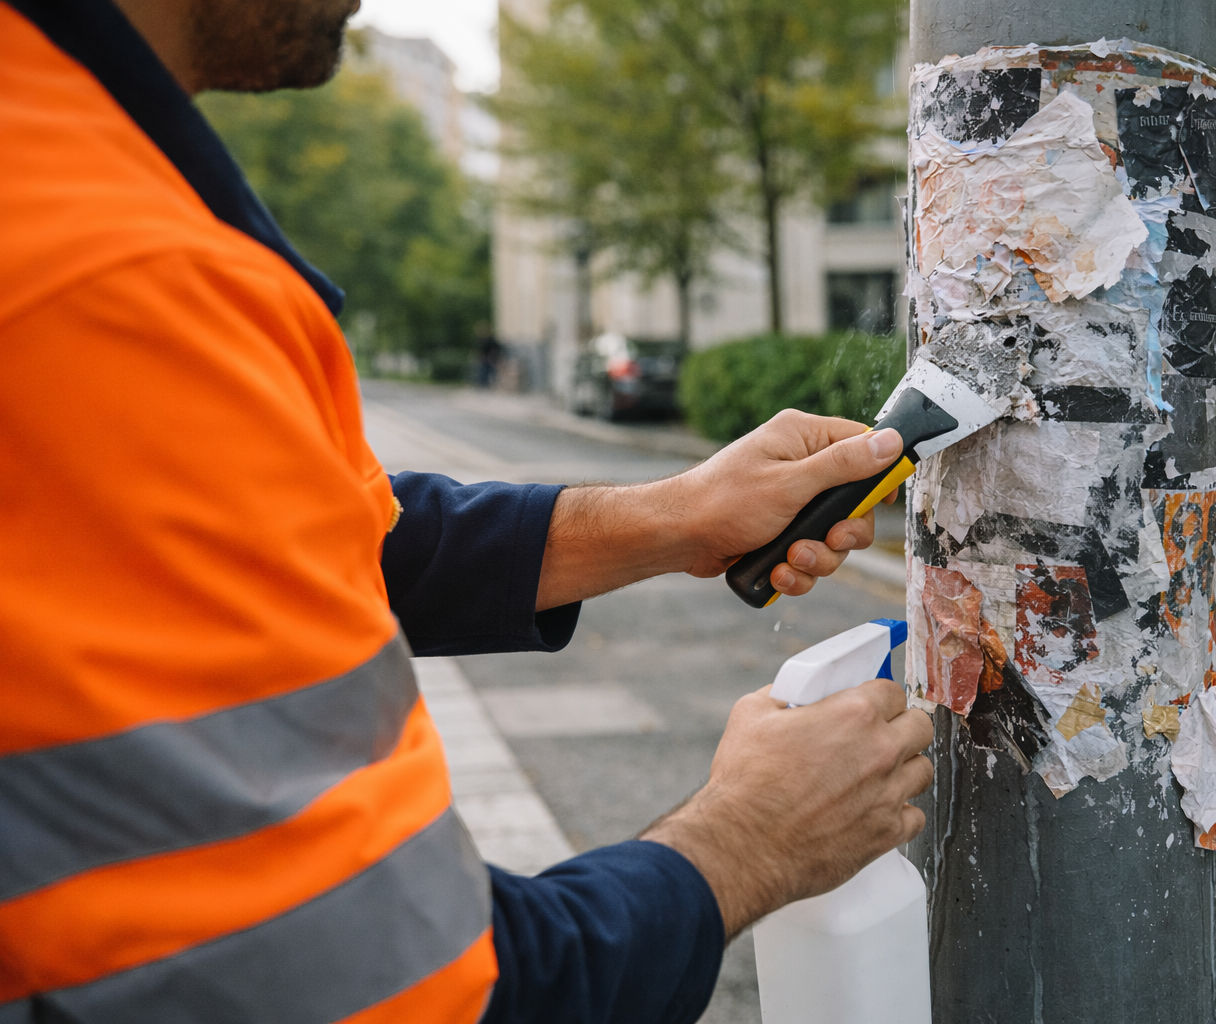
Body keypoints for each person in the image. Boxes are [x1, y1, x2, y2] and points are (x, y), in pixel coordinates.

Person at [0, 1, 934, 1022]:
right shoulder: (107, 280)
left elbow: (299, 538)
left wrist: (677, 514)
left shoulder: (63, 179)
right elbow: (396, 989)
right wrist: (749, 838)